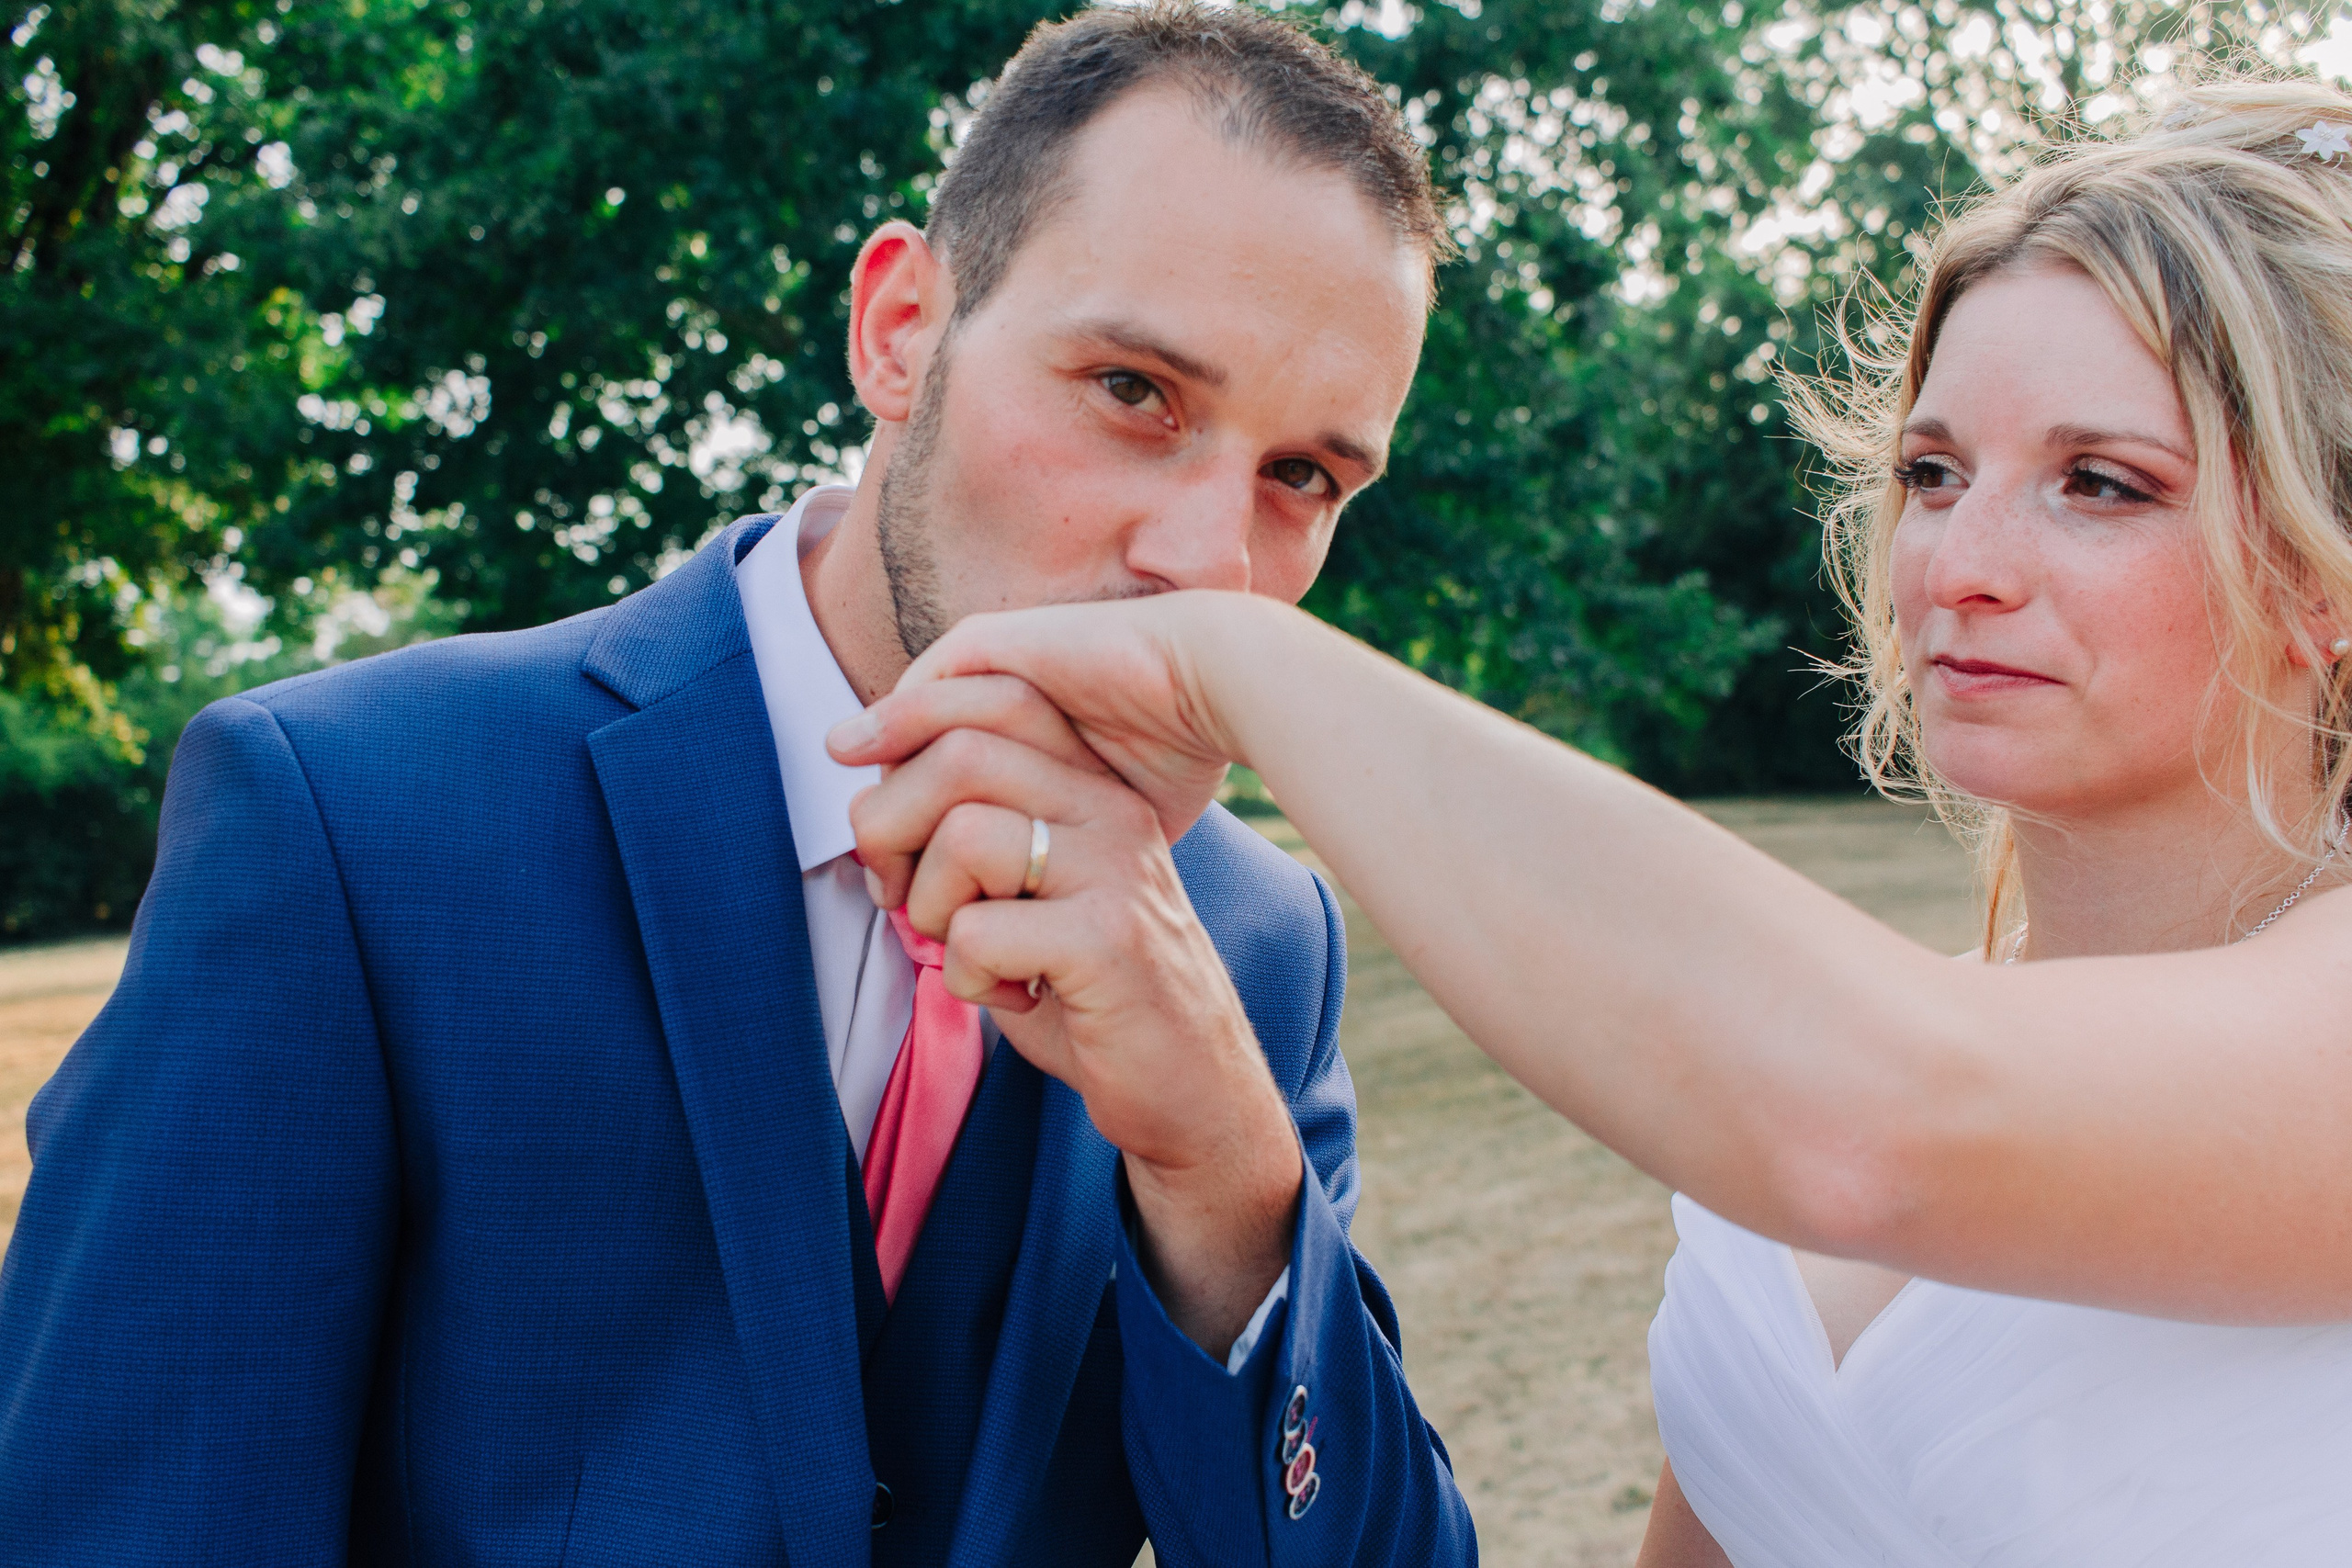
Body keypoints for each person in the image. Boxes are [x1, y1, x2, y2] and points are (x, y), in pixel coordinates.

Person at [0, 6, 1476, 1563]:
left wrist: (1224, 1168)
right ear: (901, 328)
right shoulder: (349, 820)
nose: (1207, 558)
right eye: (1133, 390)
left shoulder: (1261, 946)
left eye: (1302, 476)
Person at [830, 72, 2352, 1565]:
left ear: (2322, 578)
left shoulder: (1860, 1078)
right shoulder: (1820, 1041)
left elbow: (1876, 1128)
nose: (1958, 562)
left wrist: (1226, 656)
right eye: (1934, 472)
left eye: (2101, 482)